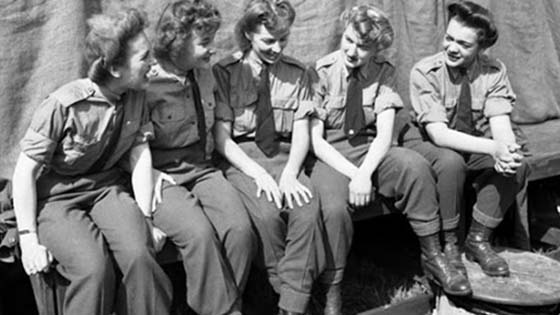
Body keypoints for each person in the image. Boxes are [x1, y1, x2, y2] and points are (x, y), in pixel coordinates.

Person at [309, 5, 472, 313]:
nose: (354, 52)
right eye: (349, 40)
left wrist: (365, 172)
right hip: (332, 154)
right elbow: (316, 141)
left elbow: (384, 135)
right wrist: (354, 174)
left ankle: (433, 257)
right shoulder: (320, 71)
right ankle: (332, 288)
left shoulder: (384, 72)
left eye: (364, 46)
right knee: (331, 208)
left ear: (377, 48)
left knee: (415, 167)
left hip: (371, 148)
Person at [12, 8, 172, 315]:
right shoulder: (63, 104)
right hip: (57, 198)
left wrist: (146, 219)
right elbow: (24, 173)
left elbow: (139, 154)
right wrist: (28, 238)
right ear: (114, 68)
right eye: (144, 58)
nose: (152, 64)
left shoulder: (136, 94)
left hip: (105, 189)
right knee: (92, 268)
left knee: (141, 254)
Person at [212, 1, 326, 314]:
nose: (276, 48)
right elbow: (222, 138)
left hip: (285, 154)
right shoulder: (225, 72)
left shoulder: (298, 72)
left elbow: (301, 130)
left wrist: (291, 173)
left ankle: (291, 305)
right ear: (248, 33)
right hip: (243, 158)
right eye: (268, 41)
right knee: (265, 214)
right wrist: (256, 173)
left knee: (306, 208)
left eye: (283, 40)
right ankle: (289, 294)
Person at [402, 0, 530, 278]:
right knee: (450, 163)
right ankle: (450, 246)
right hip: (428, 143)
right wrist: (493, 148)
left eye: (463, 44)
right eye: (449, 38)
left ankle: (478, 240)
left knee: (518, 163)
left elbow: (500, 123)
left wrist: (506, 150)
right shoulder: (425, 72)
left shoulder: (493, 71)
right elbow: (438, 133)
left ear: (481, 48)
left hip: (471, 140)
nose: (452, 47)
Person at [146, 1, 256, 314]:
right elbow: (127, 146)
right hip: (161, 177)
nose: (211, 50)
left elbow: (219, 132)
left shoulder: (205, 74)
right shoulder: (146, 83)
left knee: (240, 230)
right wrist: (147, 173)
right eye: (204, 43)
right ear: (176, 42)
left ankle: (216, 307)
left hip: (202, 169)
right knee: (199, 234)